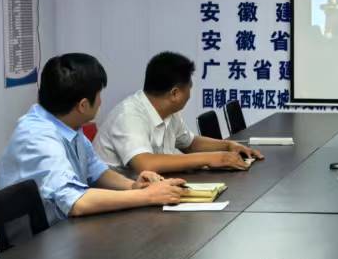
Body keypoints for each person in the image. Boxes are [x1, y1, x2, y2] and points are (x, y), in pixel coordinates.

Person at [0, 53, 186, 223]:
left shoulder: (67, 123)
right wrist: (148, 196)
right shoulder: (37, 137)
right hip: (29, 245)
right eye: (99, 95)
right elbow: (76, 202)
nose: (101, 101)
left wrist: (134, 186)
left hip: (60, 229)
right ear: (83, 105)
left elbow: (96, 171)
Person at [94, 51, 264, 176]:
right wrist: (210, 158)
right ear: (175, 93)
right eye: (189, 86)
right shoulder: (129, 116)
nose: (190, 93)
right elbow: (145, 164)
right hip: (116, 199)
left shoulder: (169, 111)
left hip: (148, 192)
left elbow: (190, 143)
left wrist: (228, 146)